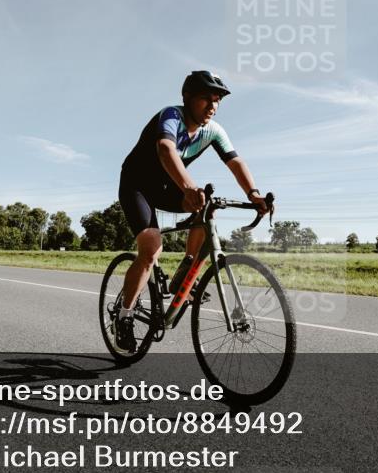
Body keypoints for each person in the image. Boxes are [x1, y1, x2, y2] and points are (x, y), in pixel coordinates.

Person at [115, 70, 270, 352]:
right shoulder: (171, 116)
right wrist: (188, 187)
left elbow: (235, 162)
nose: (212, 105)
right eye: (205, 99)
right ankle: (124, 316)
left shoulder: (213, 130)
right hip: (136, 184)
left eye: (217, 100)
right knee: (151, 248)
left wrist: (254, 194)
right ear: (187, 98)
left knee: (207, 208)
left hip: (168, 186)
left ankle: (187, 270)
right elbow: (165, 150)